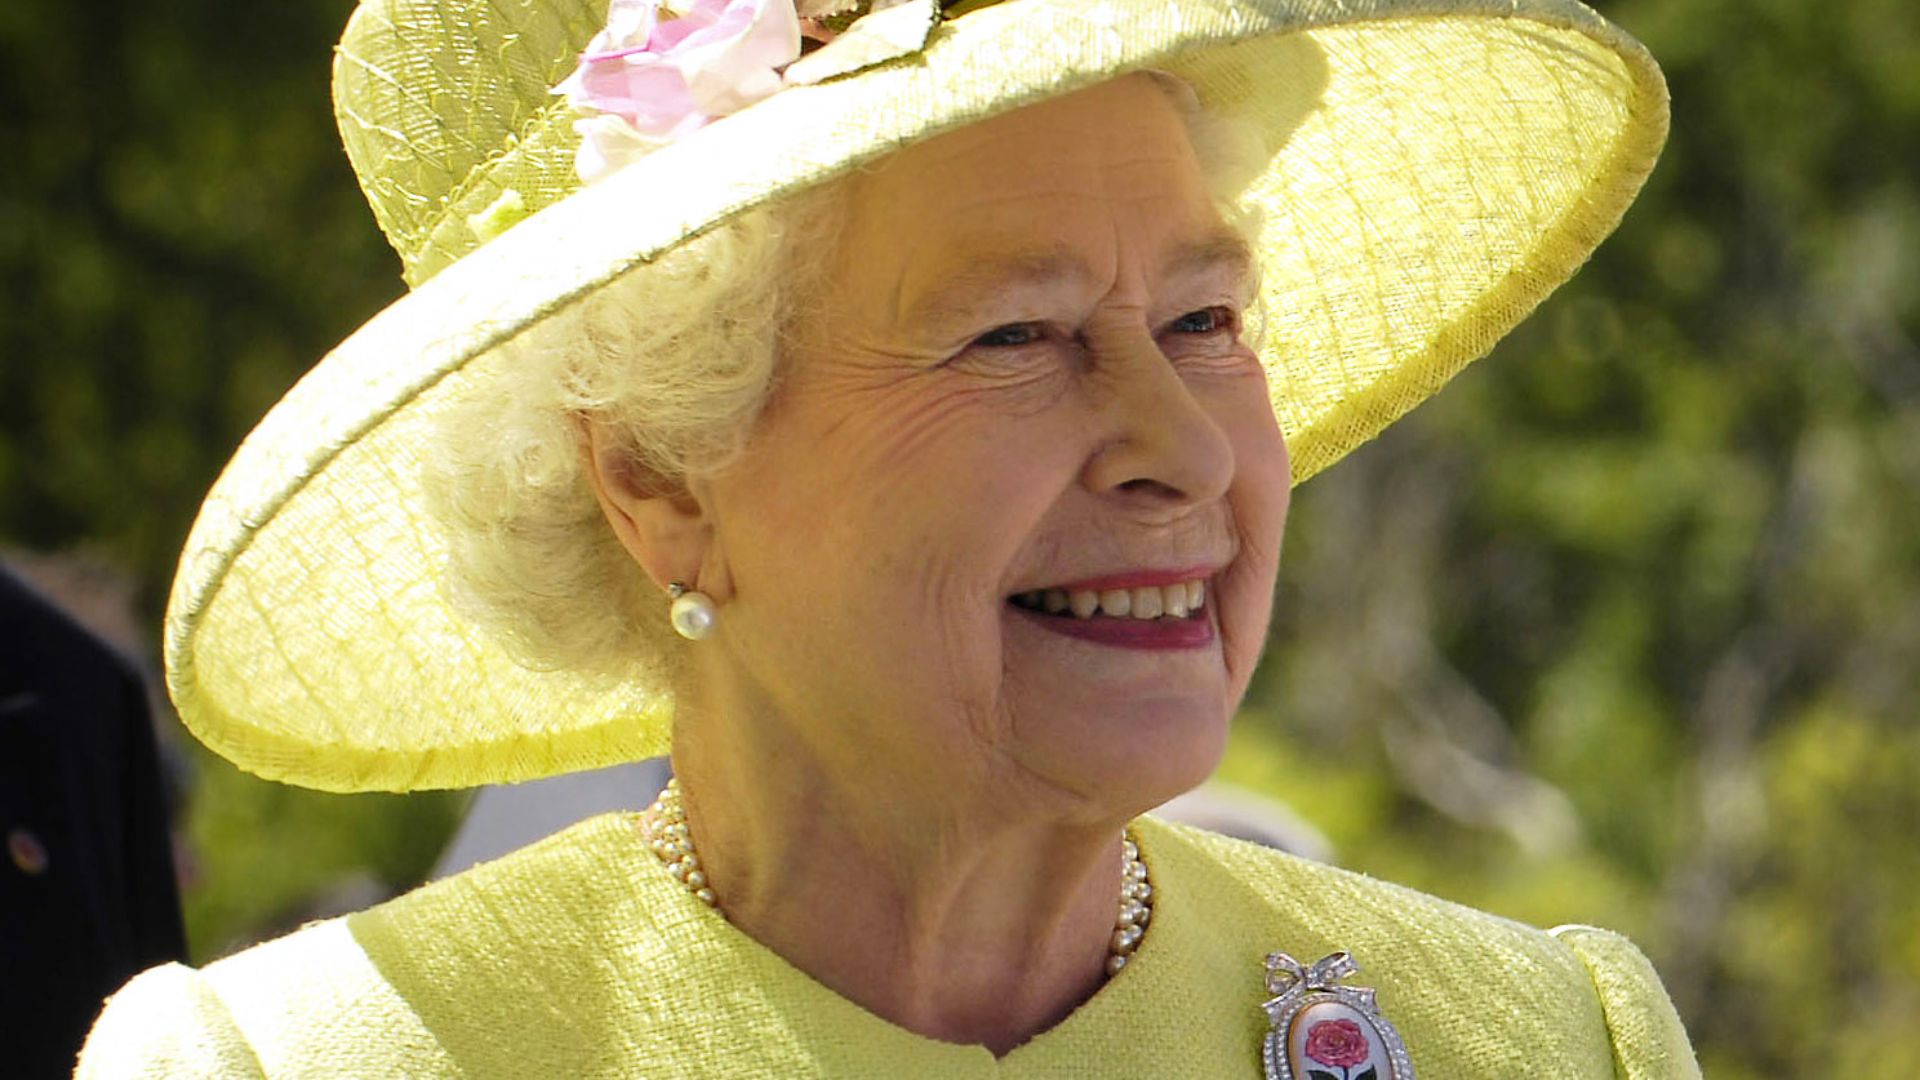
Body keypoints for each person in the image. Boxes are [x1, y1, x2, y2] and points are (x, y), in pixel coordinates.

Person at [78, 0, 1695, 1075]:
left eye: (1203, 316)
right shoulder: (304, 1065)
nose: (1185, 446)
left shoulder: (1538, 1040)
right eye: (1014, 336)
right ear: (660, 476)